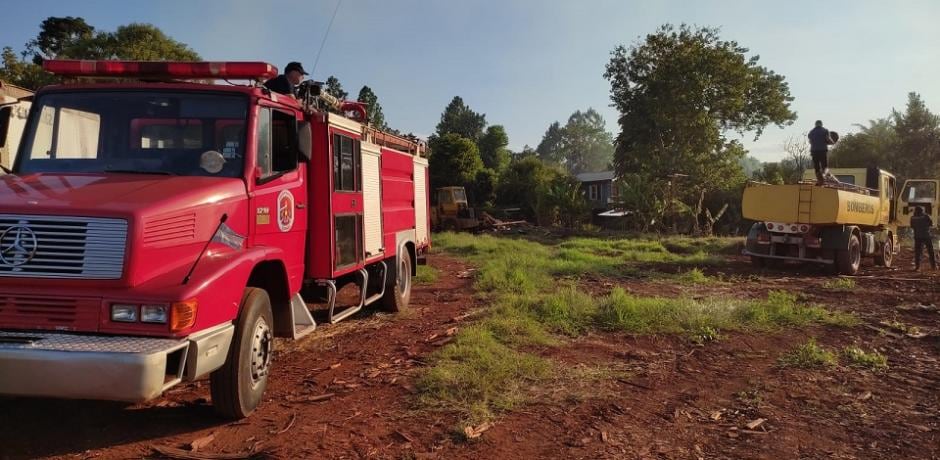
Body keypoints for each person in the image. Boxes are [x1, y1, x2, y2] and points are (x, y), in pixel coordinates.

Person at [808, 120, 835, 185]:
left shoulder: (811, 132)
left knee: (817, 167)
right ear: (821, 124)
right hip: (822, 150)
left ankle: (819, 180)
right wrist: (832, 142)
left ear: (815, 124)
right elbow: (828, 139)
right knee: (825, 167)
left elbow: (810, 142)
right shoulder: (825, 130)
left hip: (814, 151)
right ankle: (823, 175)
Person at [910, 206, 936, 271]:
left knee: (918, 252)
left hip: (917, 237)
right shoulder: (925, 216)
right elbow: (931, 224)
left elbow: (912, 226)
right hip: (926, 236)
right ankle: (933, 266)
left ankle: (917, 267)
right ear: (922, 211)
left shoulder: (912, 218)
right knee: (930, 251)